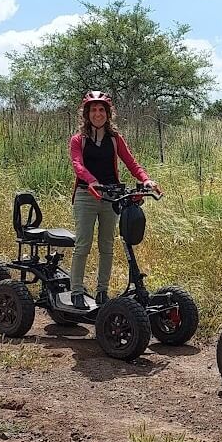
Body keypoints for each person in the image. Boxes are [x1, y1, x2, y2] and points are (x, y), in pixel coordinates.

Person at [69, 90, 159, 304]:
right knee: (83, 244)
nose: (97, 114)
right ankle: (77, 292)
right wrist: (91, 180)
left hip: (111, 196)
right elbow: (77, 165)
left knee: (107, 245)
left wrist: (146, 180)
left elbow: (131, 162)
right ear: (86, 113)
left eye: (101, 110)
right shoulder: (78, 139)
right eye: (93, 110)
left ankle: (102, 291)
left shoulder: (115, 138)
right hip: (86, 195)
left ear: (108, 113)